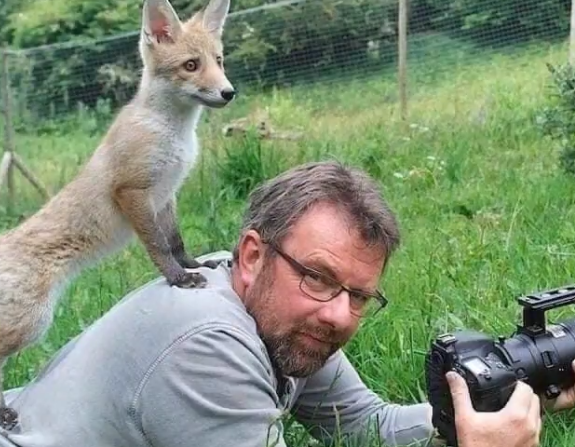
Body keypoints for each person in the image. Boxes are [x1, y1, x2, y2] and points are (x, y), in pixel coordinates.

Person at [0, 160, 573, 447]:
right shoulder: (210, 344)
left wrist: (495, 409)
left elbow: (366, 424)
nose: (339, 315)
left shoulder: (283, 319)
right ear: (253, 255)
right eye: (319, 278)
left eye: (359, 296)